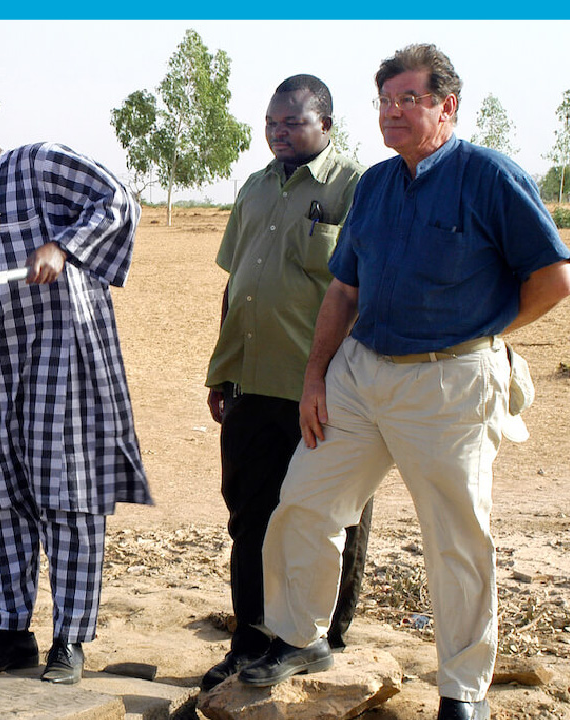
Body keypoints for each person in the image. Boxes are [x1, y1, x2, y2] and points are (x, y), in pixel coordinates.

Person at [237, 45, 570, 720]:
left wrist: (482, 334)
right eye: (385, 100)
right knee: (303, 503)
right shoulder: (380, 184)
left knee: (454, 538)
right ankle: (301, 638)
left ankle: (463, 692)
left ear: (448, 106)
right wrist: (316, 377)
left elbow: (553, 279)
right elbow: (343, 288)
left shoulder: (491, 177)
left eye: (408, 100)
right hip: (361, 372)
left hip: (450, 384)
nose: (392, 112)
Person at [0, 77, 152, 685]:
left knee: (69, 499)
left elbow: (119, 200)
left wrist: (64, 246)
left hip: (61, 358)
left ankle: (70, 641)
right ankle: (14, 632)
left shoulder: (40, 164)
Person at [200, 74, 374, 691]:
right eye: (271, 122)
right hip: (251, 381)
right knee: (250, 516)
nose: (277, 133)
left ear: (325, 123)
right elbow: (237, 282)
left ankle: (323, 636)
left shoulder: (359, 187)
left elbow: (362, 293)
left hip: (323, 388)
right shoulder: (252, 187)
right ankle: (249, 639)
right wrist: (221, 370)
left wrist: (337, 380)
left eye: (292, 122)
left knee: (329, 514)